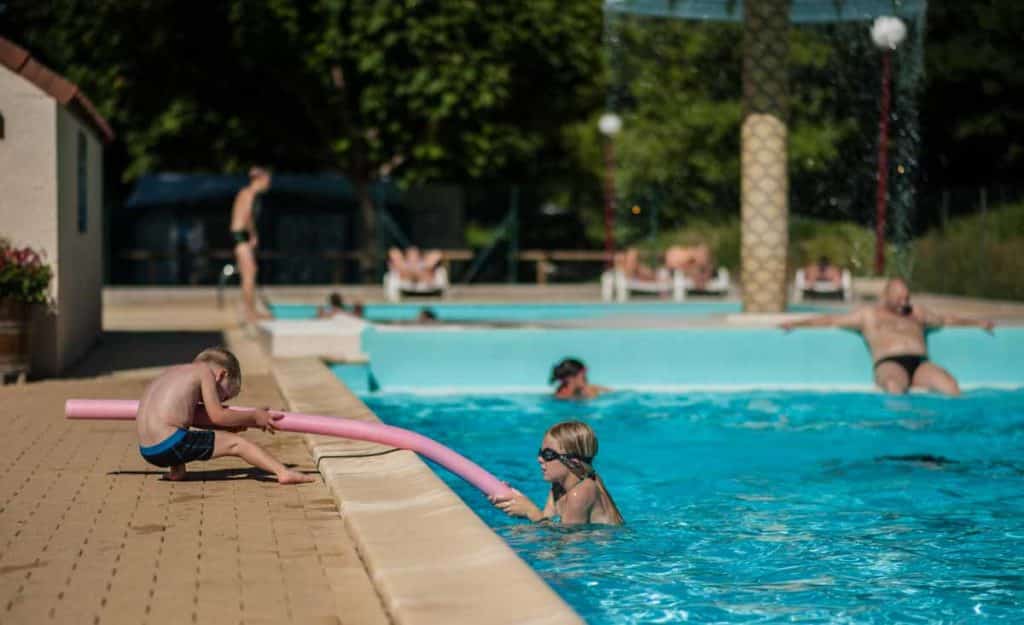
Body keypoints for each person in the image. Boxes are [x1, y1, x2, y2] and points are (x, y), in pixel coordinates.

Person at [780, 278, 995, 395]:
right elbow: (830, 320)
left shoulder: (916, 312)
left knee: (951, 386)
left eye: (907, 297)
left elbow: (946, 319)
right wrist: (796, 323)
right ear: (886, 296)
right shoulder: (869, 315)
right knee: (893, 386)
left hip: (920, 364)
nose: (905, 302)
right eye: (899, 298)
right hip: (889, 363)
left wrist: (978, 323)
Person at [136, 346, 313, 484]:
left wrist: (231, 423)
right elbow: (217, 415)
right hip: (169, 444)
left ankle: (176, 471)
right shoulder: (205, 373)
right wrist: (255, 417)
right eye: (225, 396)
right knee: (238, 444)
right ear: (221, 375)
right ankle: (283, 473)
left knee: (180, 427)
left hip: (147, 450)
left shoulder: (172, 372)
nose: (220, 400)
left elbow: (184, 418)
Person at [490, 421, 624, 526]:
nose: (539, 459)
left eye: (547, 454)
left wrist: (531, 512)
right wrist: (514, 500)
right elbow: (549, 525)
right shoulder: (558, 486)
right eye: (540, 452)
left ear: (573, 462)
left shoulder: (582, 492)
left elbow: (571, 550)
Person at [231, 167, 272, 322]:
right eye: (267, 181)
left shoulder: (246, 193)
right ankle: (250, 313)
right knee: (249, 275)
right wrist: (253, 234)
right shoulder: (248, 194)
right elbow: (247, 215)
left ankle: (250, 310)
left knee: (249, 274)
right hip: (241, 237)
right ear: (259, 180)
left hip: (240, 236)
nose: (268, 185)